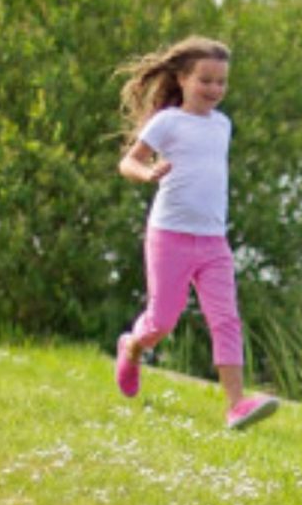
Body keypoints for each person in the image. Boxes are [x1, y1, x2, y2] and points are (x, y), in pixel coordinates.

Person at [111, 36, 279, 431]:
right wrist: (148, 172)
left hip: (213, 240)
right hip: (169, 235)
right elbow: (128, 162)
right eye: (206, 80)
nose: (214, 90)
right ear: (183, 79)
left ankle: (236, 405)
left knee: (225, 319)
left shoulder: (223, 125)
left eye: (221, 82)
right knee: (162, 322)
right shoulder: (167, 121)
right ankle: (131, 346)